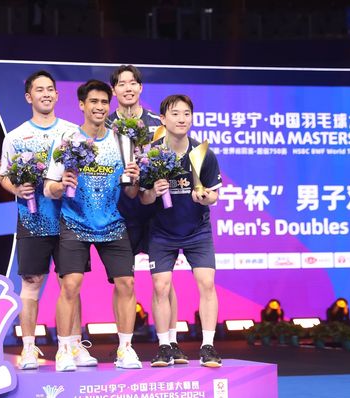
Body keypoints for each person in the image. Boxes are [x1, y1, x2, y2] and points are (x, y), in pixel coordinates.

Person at [0, 70, 96, 370]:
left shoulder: (71, 133)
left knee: (71, 284)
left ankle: (75, 345)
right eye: (39, 90)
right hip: (33, 220)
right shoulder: (15, 137)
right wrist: (17, 187)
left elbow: (87, 169)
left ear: (56, 95)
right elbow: (2, 175)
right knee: (31, 282)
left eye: (50, 89)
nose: (46, 94)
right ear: (29, 97)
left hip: (70, 219)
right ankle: (29, 348)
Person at [45, 79, 142, 372]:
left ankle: (125, 349)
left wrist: (135, 179)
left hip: (112, 223)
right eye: (94, 102)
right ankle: (65, 350)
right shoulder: (67, 140)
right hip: (74, 221)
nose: (99, 107)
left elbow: (131, 193)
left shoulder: (122, 141)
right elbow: (49, 187)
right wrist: (62, 185)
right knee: (71, 284)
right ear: (82, 105)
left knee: (127, 284)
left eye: (104, 102)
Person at [106, 65, 187, 364]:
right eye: (121, 84)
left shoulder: (158, 123)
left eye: (133, 83)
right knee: (123, 282)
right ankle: (124, 346)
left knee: (163, 281)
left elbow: (177, 156)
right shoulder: (106, 125)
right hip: (119, 213)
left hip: (156, 212)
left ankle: (172, 342)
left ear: (140, 88)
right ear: (114, 90)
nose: (128, 88)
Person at [140, 94, 223, 368]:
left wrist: (204, 197)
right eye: (175, 114)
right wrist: (154, 191)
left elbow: (213, 196)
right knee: (160, 287)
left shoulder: (202, 153)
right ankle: (165, 346)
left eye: (186, 113)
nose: (181, 119)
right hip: (162, 232)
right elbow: (143, 199)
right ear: (163, 119)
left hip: (197, 231)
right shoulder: (152, 154)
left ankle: (208, 346)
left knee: (207, 284)